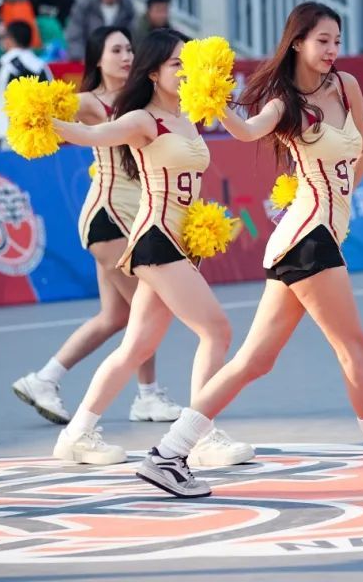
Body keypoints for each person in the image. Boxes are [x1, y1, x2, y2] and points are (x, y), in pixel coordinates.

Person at [135, 3, 363, 498]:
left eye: (337, 40)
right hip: (308, 238)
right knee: (354, 349)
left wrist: (341, 202)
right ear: (298, 42)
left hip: (314, 233)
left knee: (254, 361)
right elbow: (246, 131)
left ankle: (168, 454)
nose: (332, 50)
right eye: (322, 40)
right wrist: (214, 99)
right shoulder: (285, 104)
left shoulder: (346, 86)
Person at [48, 29, 251, 467]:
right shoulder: (143, 119)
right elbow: (94, 135)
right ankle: (200, 437)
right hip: (156, 239)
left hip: (179, 240)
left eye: (187, 63)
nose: (184, 71)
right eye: (176, 64)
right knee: (216, 330)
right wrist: (46, 123)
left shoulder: (188, 116)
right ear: (154, 73)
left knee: (136, 347)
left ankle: (76, 434)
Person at [12, 26, 181, 426]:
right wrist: (36, 111)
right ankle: (147, 396)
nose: (126, 57)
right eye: (116, 50)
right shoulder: (90, 101)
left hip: (132, 217)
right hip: (108, 216)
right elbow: (45, 114)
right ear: (98, 60)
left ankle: (44, 379)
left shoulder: (142, 100)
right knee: (148, 306)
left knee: (115, 317)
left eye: (129, 49)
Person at [0, 20, 52, 148]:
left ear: (10, 40)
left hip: (10, 135)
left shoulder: (4, 63)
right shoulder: (41, 66)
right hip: (39, 136)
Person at [65, 0, 135, 61]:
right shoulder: (86, 4)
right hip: (86, 57)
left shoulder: (127, 9)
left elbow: (131, 36)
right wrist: (79, 56)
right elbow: (75, 32)